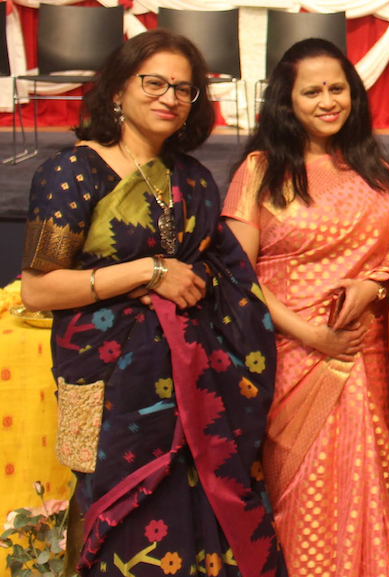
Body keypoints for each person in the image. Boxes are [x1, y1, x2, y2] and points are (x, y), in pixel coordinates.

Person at [19, 30, 286, 576]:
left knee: (196, 518)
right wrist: (149, 271)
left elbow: (223, 273)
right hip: (113, 383)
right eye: (155, 82)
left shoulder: (192, 178)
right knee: (123, 522)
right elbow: (38, 289)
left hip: (196, 381)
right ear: (118, 89)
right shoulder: (71, 173)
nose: (170, 97)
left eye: (184, 89)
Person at [222, 38, 389, 577]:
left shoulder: (374, 171)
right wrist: (311, 333)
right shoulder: (260, 171)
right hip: (291, 360)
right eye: (312, 91)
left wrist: (374, 288)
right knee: (298, 492)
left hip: (364, 359)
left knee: (368, 481)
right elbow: (237, 277)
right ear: (287, 102)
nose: (328, 101)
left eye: (337, 88)